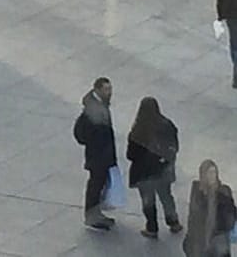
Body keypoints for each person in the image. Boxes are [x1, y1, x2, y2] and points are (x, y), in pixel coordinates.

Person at [127, 96, 184, 237]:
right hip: (162, 171)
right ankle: (173, 222)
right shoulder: (167, 125)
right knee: (166, 196)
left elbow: (130, 155)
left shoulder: (137, 131)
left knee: (148, 201)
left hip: (144, 173)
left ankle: (152, 228)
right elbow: (174, 146)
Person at [76, 77, 119, 230]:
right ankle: (91, 216)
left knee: (100, 184)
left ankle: (96, 213)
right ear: (97, 90)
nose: (110, 92)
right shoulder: (92, 111)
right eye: (107, 89)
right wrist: (95, 141)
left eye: (110, 89)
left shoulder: (100, 106)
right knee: (95, 185)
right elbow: (80, 133)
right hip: (98, 156)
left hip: (103, 154)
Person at [183, 160, 237, 257]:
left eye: (214, 172)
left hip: (218, 236)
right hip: (201, 237)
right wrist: (190, 236)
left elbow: (232, 215)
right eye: (209, 173)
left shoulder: (224, 191)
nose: (212, 176)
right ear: (203, 175)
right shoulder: (197, 190)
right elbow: (192, 215)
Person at [219, 0, 237, 90]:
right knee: (234, 46)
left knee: (234, 45)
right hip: (232, 17)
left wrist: (220, 13)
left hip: (230, 17)